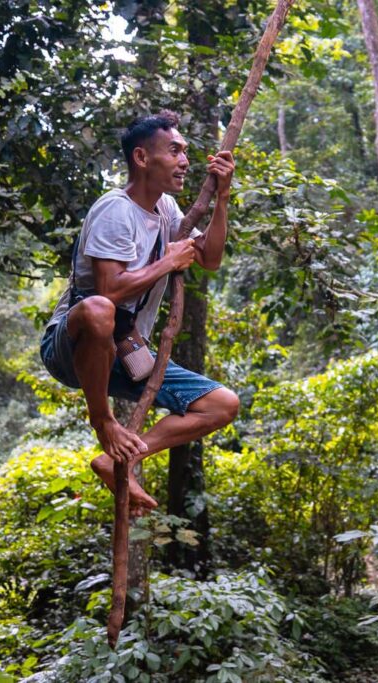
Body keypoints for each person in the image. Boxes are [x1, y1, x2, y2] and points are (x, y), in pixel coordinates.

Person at [40, 110, 239, 513]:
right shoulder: (115, 210)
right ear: (142, 158)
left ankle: (120, 459)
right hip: (73, 345)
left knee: (223, 404)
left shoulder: (166, 208)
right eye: (174, 151)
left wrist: (221, 197)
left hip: (125, 352)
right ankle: (105, 424)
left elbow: (211, 257)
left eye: (185, 151)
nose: (185, 160)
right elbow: (109, 291)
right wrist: (168, 261)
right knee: (98, 309)